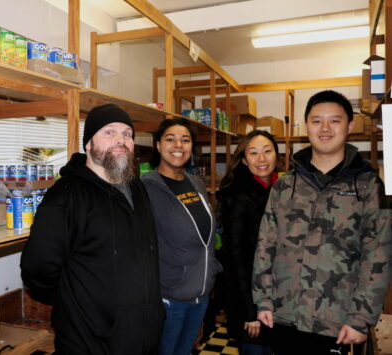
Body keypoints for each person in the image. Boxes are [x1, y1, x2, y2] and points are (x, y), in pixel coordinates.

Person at [253, 90, 392, 355]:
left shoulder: (368, 186)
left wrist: (360, 319)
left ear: (349, 126)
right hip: (284, 316)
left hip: (337, 324)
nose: (325, 128)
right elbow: (265, 246)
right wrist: (263, 301)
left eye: (335, 121)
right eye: (317, 121)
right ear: (307, 126)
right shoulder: (285, 185)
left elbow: (378, 256)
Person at [20, 103, 165, 355]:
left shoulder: (137, 188)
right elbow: (38, 267)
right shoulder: (66, 195)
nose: (120, 140)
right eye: (109, 132)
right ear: (88, 144)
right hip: (90, 341)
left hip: (142, 336)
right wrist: (75, 303)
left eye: (127, 134)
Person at [141, 118, 222, 355]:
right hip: (170, 297)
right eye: (170, 139)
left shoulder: (195, 182)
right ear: (157, 145)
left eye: (185, 140)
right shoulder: (146, 188)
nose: (178, 145)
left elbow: (204, 235)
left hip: (200, 295)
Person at [218, 130, 281, 355]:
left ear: (277, 155)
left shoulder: (280, 191)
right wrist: (250, 312)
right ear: (244, 160)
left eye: (267, 151)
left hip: (276, 303)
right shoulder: (239, 197)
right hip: (250, 304)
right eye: (253, 153)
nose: (262, 159)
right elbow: (235, 259)